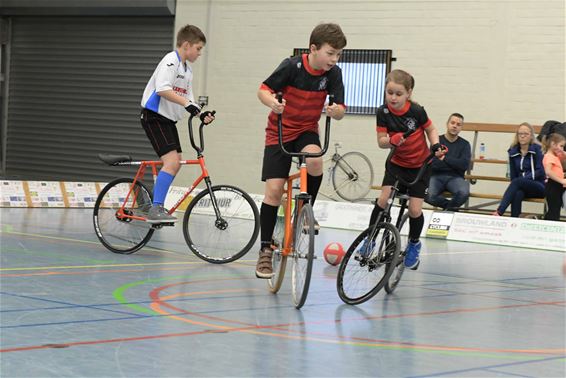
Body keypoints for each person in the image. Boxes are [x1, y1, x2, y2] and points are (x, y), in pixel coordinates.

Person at [255, 23, 347, 278]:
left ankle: (305, 212)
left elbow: (340, 109)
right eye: (330, 53)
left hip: (306, 130)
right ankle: (265, 250)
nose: (334, 59)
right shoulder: (291, 66)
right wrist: (272, 103)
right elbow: (263, 90)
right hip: (280, 132)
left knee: (316, 162)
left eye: (338, 54)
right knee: (274, 191)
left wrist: (335, 111)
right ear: (313, 49)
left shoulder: (334, 74)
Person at [365, 69, 444, 270]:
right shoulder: (382, 112)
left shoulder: (417, 111)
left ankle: (414, 244)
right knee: (383, 200)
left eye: (398, 94)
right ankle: (370, 239)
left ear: (408, 93)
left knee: (415, 209)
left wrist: (436, 146)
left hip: (419, 166)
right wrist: (391, 140)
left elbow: (431, 130)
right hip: (396, 164)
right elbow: (381, 142)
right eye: (389, 92)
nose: (393, 97)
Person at [140, 24, 215, 223]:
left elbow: (187, 99)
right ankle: (156, 208)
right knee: (172, 162)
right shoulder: (170, 61)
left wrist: (201, 113)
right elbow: (162, 90)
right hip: (154, 116)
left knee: (176, 162)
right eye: (198, 49)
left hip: (167, 120)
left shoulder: (187, 70)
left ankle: (149, 203)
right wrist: (185, 104)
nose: (199, 54)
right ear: (187, 45)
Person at [492, 122, 545, 217]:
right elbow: (513, 175)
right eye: (520, 134)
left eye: (526, 134)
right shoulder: (513, 151)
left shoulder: (538, 149)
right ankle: (514, 221)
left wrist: (523, 179)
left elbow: (540, 171)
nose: (522, 136)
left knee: (517, 182)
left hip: (539, 186)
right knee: (517, 193)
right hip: (522, 186)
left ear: (531, 136)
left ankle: (499, 212)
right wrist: (520, 181)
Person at [425, 113, 471, 211]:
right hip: (436, 176)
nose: (455, 126)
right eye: (452, 123)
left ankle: (449, 209)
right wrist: (454, 163)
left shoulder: (465, 144)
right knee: (427, 195)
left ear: (461, 128)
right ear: (447, 124)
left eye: (458, 124)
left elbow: (464, 165)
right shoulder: (437, 141)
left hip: (455, 177)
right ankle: (450, 208)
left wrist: (444, 158)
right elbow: (433, 164)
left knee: (464, 192)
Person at [542, 133, 566, 221]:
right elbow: (548, 171)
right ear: (553, 144)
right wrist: (562, 180)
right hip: (553, 186)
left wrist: (562, 151)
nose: (562, 148)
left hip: (557, 186)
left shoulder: (555, 156)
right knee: (554, 211)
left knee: (556, 209)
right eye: (561, 146)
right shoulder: (549, 157)